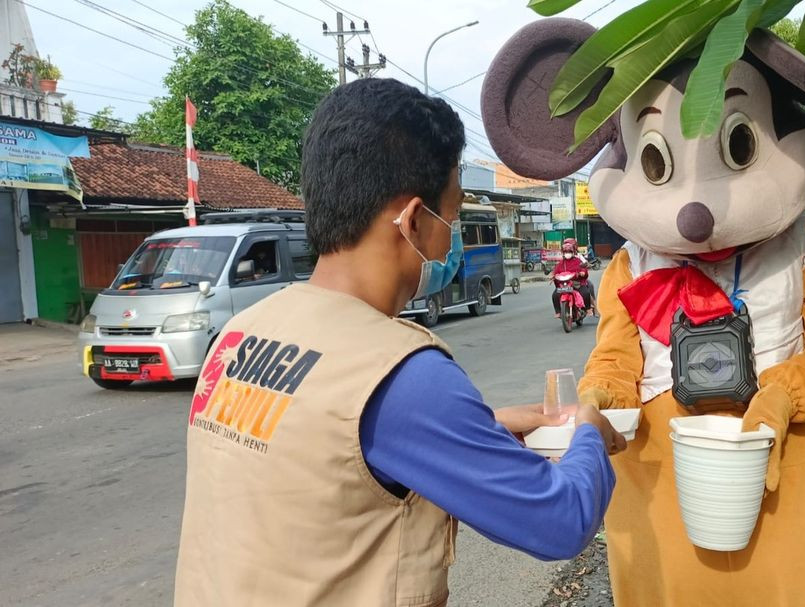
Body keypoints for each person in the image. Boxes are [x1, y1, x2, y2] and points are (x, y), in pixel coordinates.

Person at [174, 78, 627, 607]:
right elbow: (560, 521)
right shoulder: (399, 372)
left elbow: (326, 456)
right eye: (450, 219)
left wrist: (481, 427)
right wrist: (589, 431)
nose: (449, 238)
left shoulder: (242, 333)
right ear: (413, 220)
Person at [550, 238, 596, 317]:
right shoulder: (560, 263)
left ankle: (588, 309)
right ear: (563, 253)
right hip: (564, 284)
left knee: (585, 293)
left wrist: (582, 272)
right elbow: (556, 271)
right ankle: (558, 312)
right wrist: (553, 275)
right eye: (566, 252)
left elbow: (583, 268)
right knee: (555, 295)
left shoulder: (578, 260)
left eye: (569, 252)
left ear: (573, 252)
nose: (567, 254)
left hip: (576, 283)